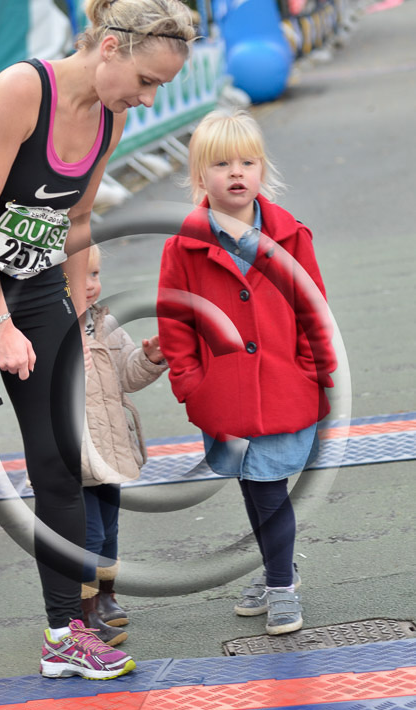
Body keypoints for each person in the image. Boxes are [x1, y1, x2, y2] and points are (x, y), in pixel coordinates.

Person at [0, 0, 195, 680]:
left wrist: (78, 297)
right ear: (110, 48)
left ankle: (64, 633)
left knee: (60, 462)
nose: (148, 99)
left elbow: (76, 218)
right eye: (146, 81)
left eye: (160, 88)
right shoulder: (20, 90)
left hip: (34, 291)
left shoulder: (110, 116)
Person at [157, 109, 336, 636]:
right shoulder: (182, 247)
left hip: (284, 387)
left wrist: (315, 370)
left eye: (247, 162)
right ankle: (279, 568)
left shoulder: (291, 237)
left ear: (262, 169)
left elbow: (313, 308)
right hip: (224, 395)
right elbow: (175, 321)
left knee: (268, 487)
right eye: (221, 164)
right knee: (253, 484)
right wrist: (191, 383)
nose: (236, 172)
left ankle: (281, 584)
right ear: (200, 176)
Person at [79, 245, 167, 646]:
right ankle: (83, 610)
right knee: (87, 534)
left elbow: (127, 375)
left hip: (110, 447)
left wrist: (148, 358)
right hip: (75, 452)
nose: (90, 285)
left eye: (95, 274)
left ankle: (106, 595)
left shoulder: (107, 324)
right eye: (78, 275)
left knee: (109, 530)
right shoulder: (46, 328)